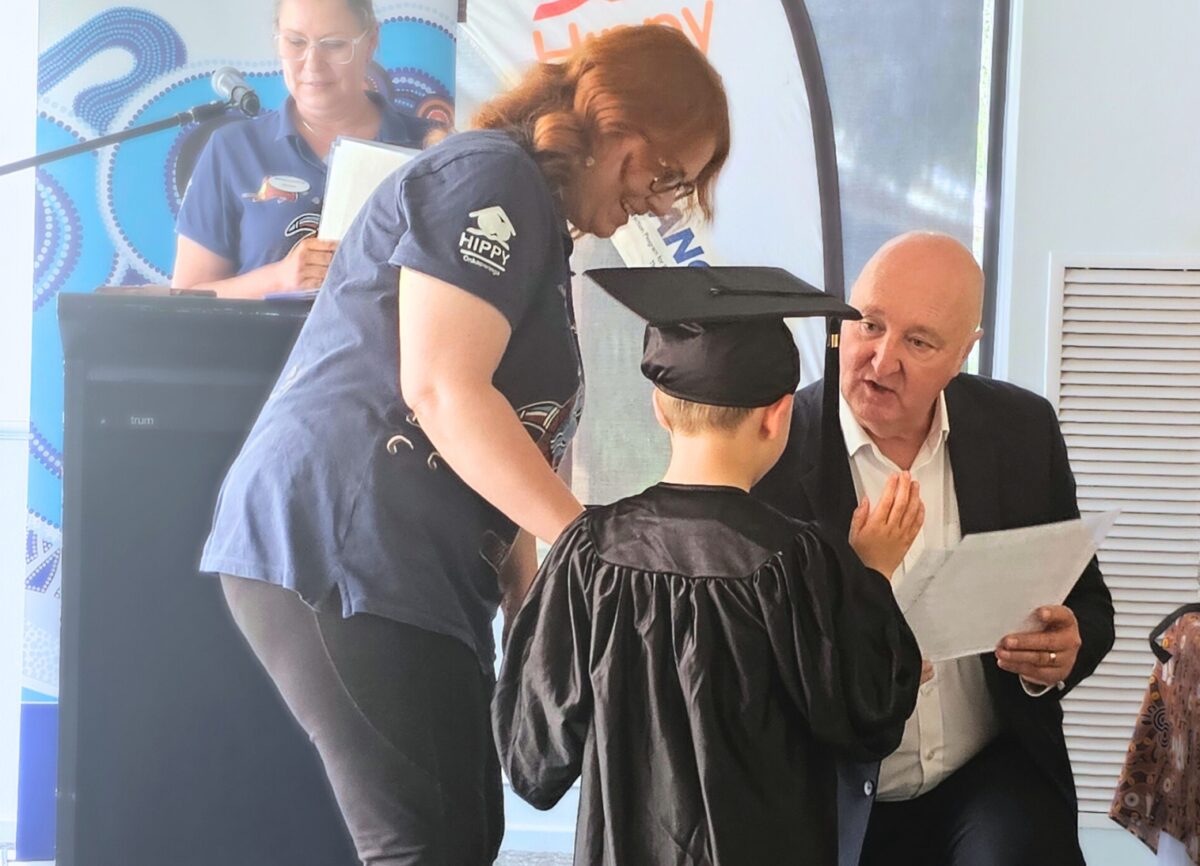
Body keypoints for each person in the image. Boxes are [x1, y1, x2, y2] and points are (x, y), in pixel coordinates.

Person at [198, 25, 731, 866]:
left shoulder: (538, 224)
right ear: (615, 126)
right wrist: (590, 544)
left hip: (413, 569)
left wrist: (532, 598)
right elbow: (444, 389)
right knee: (428, 846)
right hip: (344, 549)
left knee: (464, 837)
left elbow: (506, 434)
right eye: (667, 175)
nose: (661, 203)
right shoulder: (492, 176)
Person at [494, 266, 924, 865]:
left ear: (660, 409)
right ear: (777, 416)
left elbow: (533, 760)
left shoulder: (588, 552)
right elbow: (867, 717)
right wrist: (870, 578)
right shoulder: (798, 562)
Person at [755, 231, 1116, 866]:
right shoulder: (771, 449)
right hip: (832, 783)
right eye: (869, 325)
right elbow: (748, 665)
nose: (880, 360)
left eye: (918, 342)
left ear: (962, 355)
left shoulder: (1022, 429)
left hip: (990, 771)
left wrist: (1066, 645)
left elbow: (1087, 602)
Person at [171, 0, 434, 298]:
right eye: (295, 42)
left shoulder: (431, 149)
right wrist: (279, 279)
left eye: (333, 45)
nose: (312, 63)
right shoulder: (234, 149)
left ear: (371, 41)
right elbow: (187, 297)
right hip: (260, 344)